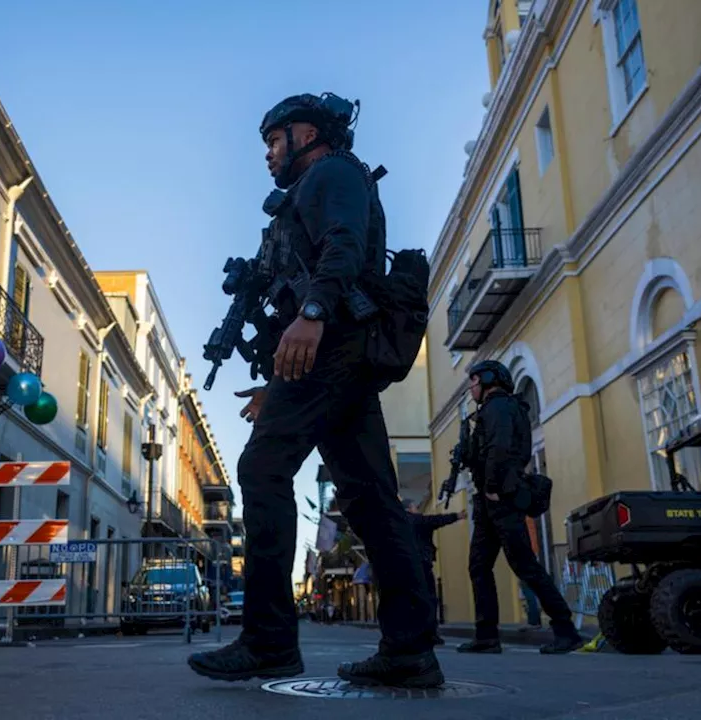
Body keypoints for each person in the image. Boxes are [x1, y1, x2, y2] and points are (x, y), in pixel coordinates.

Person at [187, 93, 443, 689]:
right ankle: (410, 649)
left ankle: (269, 640)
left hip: (332, 345)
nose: (268, 154)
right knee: (371, 500)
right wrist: (275, 380)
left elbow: (346, 246)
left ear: (306, 133)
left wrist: (312, 311)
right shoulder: (307, 190)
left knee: (263, 468)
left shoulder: (331, 173)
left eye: (274, 141)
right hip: (329, 356)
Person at [455, 360, 585, 655]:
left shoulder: (499, 407)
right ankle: (486, 635)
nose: (471, 388)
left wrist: (490, 487)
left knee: (524, 563)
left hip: (500, 497)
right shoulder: (491, 411)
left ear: (488, 380)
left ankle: (565, 629)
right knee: (479, 566)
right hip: (491, 501)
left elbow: (499, 449)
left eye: (474, 381)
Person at [402, 499, 465, 645]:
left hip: (405, 565)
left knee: (410, 600)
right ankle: (430, 633)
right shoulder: (419, 521)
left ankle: (412, 633)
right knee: (429, 598)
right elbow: (437, 520)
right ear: (410, 508)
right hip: (422, 563)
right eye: (416, 506)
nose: (418, 509)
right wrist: (457, 516)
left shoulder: (398, 524)